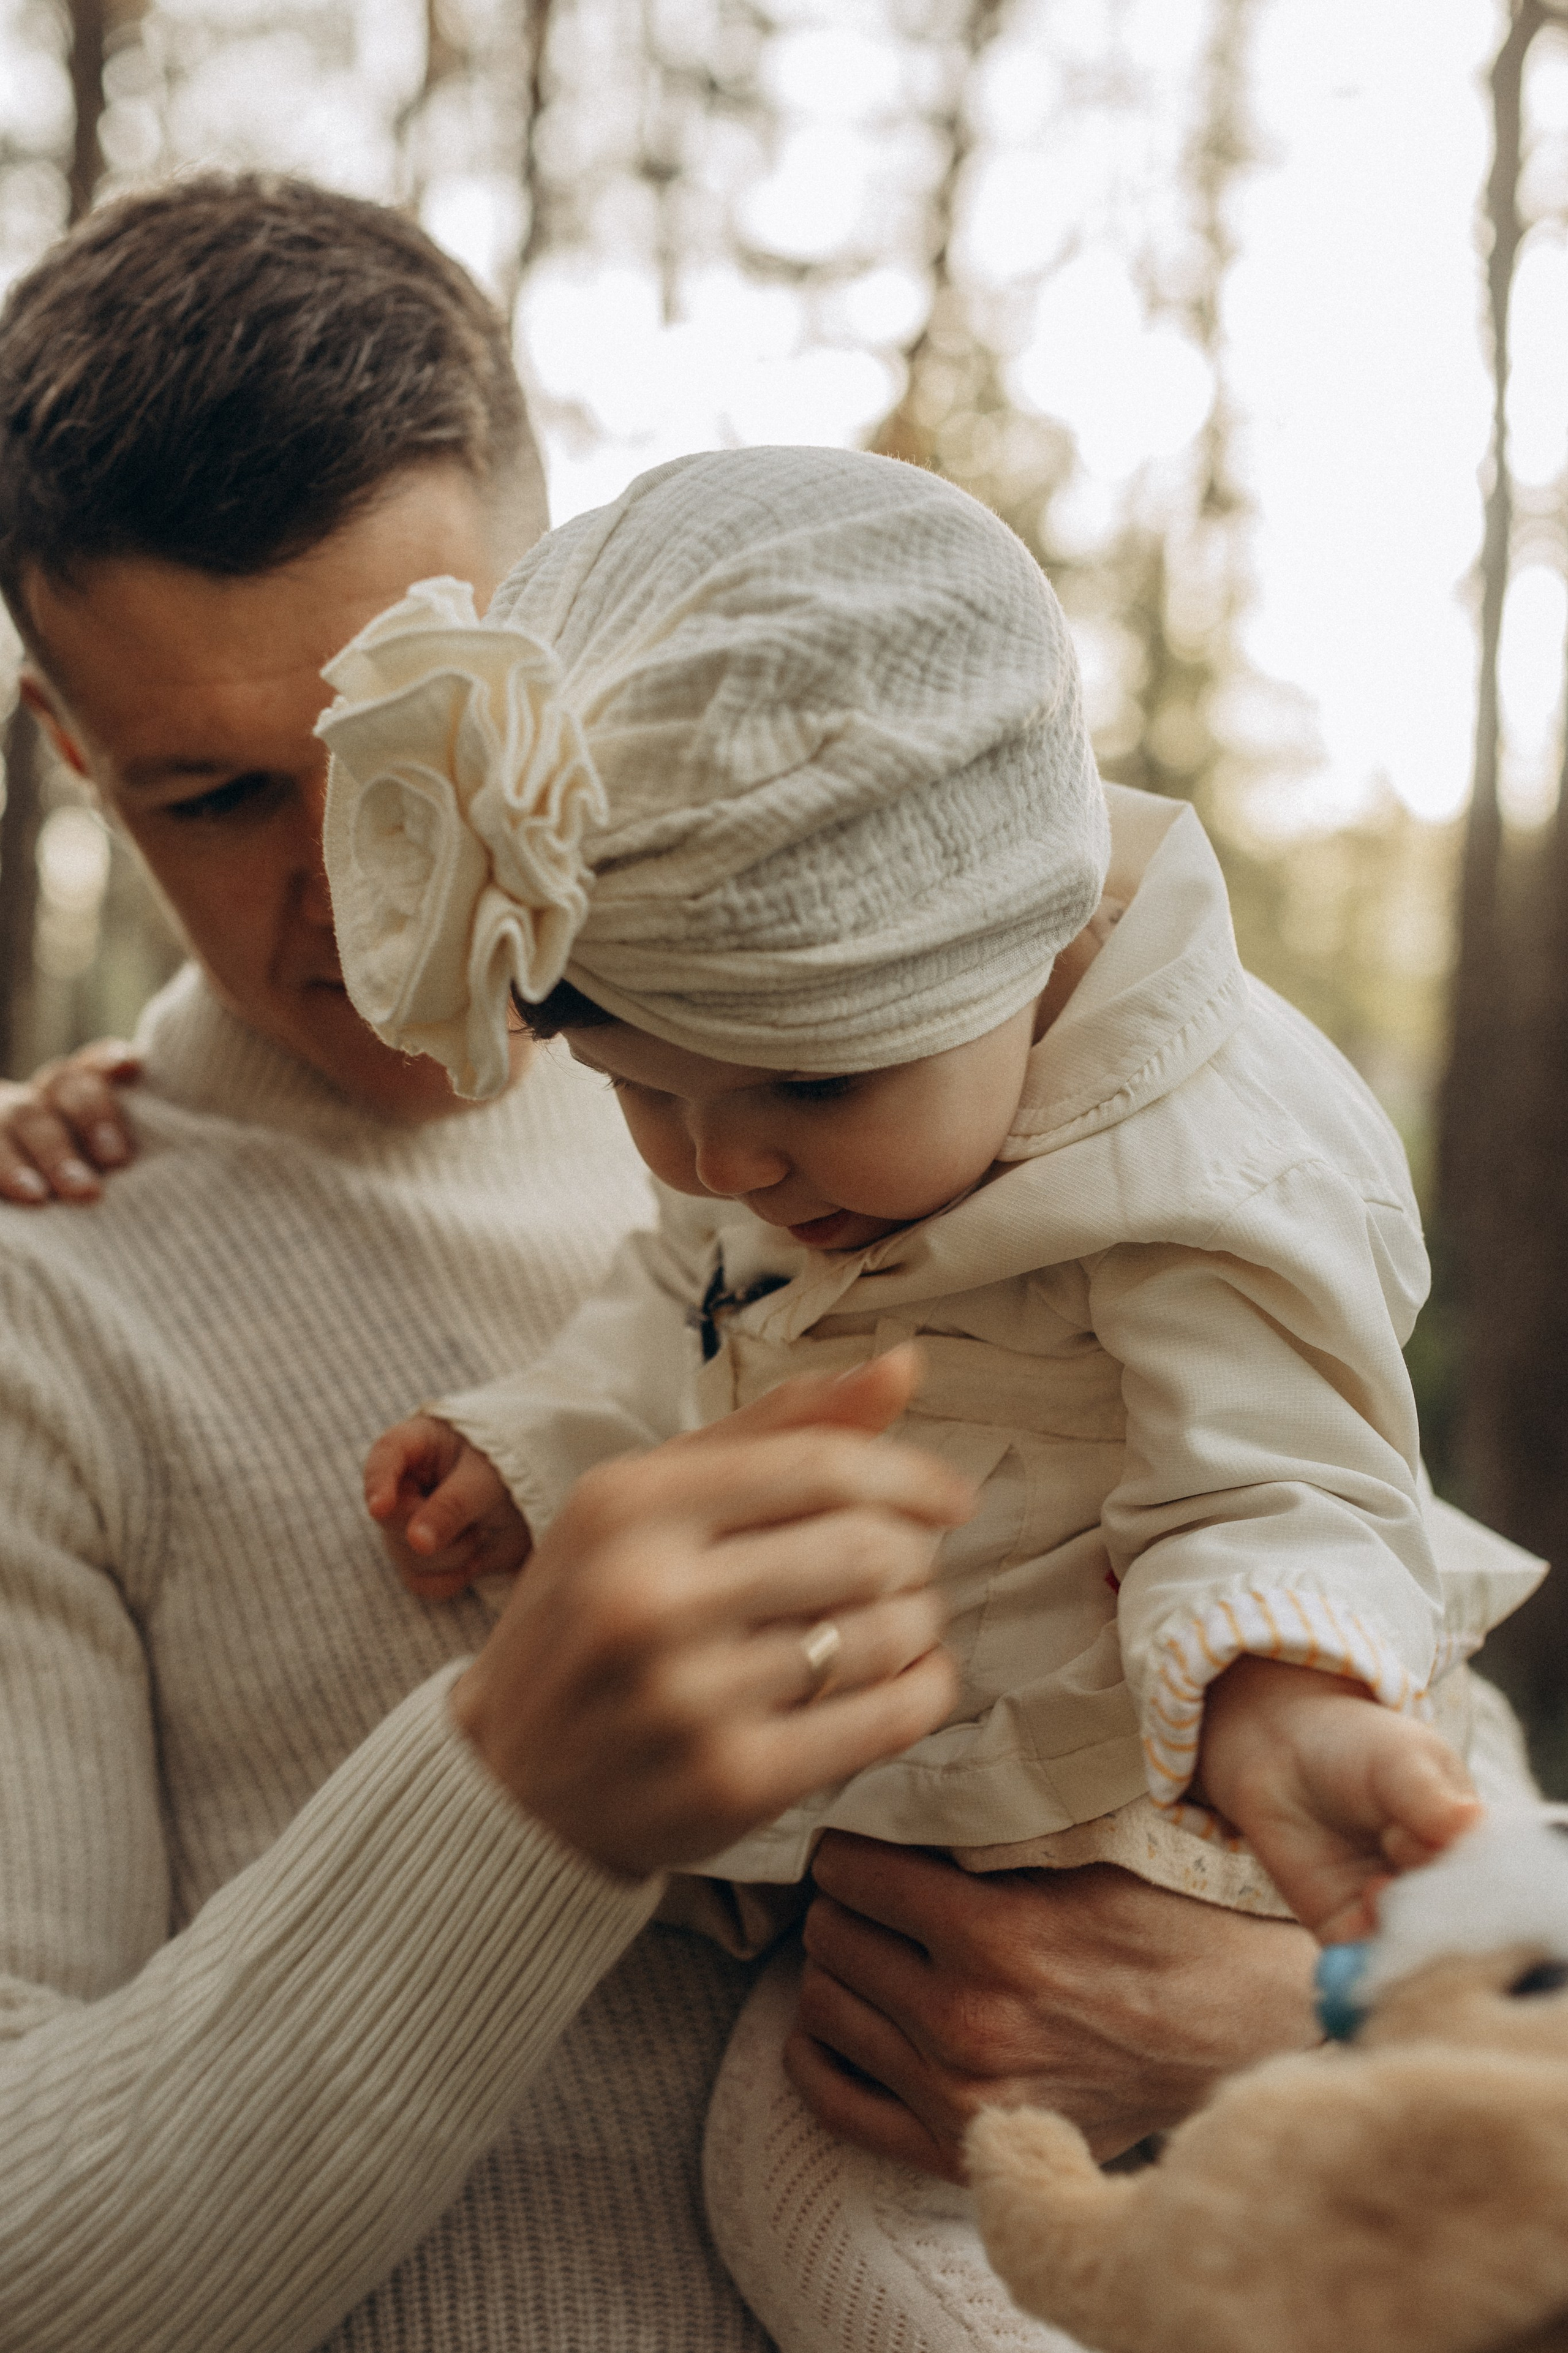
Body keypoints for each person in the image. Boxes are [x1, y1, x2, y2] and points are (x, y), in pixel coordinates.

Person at [0, 172, 1419, 2353]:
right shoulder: (51, 1277)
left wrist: (1290, 2004)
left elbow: (1392, 1716)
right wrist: (514, 1800)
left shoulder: (917, 1088)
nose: (364, 911)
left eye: (417, 761)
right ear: (72, 749)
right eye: (212, 798)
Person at [318, 445, 1544, 2349]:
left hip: (1178, 1788)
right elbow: (684, 1298)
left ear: (1032, 942)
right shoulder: (763, 1139)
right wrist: (540, 1443)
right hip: (942, 1816)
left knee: (827, 2198)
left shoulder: (1215, 1162)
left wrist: (1281, 1700)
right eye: (644, 1089)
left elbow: (1288, 1476)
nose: (718, 1156)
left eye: (805, 1091)